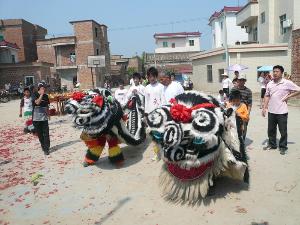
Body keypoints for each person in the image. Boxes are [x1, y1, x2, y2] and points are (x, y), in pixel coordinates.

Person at [262, 65, 300, 155]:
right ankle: (272, 144)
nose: (275, 73)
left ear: (281, 73)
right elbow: (267, 96)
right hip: (271, 111)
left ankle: (283, 147)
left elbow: (298, 90)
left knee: (283, 131)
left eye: (277, 71)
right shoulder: (270, 84)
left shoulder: (286, 82)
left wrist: (288, 96)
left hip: (282, 111)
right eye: (274, 71)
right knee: (271, 130)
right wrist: (264, 107)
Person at [230, 74, 252, 139]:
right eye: (240, 80)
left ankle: (242, 143)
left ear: (245, 81)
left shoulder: (248, 91)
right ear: (237, 80)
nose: (241, 81)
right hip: (234, 112)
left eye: (243, 80)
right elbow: (230, 101)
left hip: (243, 112)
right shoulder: (233, 89)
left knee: (243, 129)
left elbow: (250, 104)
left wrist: (247, 113)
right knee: (233, 129)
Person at [32, 83, 50, 155]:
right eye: (43, 88)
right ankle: (43, 146)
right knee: (40, 134)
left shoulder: (46, 96)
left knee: (46, 133)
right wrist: (41, 95)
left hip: (44, 118)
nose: (44, 89)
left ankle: (46, 149)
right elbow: (37, 103)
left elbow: (46, 106)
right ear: (39, 89)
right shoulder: (34, 94)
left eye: (45, 88)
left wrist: (48, 114)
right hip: (36, 118)